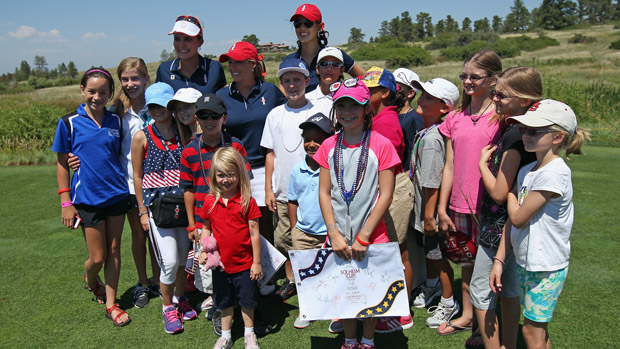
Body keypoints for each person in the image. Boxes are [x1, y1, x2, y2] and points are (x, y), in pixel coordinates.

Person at [490, 99, 589, 349]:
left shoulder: (554, 173)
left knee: (532, 334)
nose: (525, 135)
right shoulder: (528, 171)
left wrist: (510, 192)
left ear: (558, 137)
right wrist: (500, 261)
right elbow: (511, 226)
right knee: (538, 331)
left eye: (533, 131)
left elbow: (518, 218)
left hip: (545, 267)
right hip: (528, 262)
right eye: (523, 129)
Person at [315, 78, 400, 349]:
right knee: (345, 292)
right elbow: (324, 193)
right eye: (341, 106)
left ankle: (368, 339)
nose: (347, 112)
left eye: (355, 105)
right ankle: (350, 340)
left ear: (367, 109)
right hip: (337, 235)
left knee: (370, 290)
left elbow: (386, 194)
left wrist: (365, 235)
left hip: (372, 235)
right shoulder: (329, 146)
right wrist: (334, 233)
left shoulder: (381, 144)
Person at [52, 67, 131, 326]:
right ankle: (90, 280)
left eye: (103, 92)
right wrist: (66, 202)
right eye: (92, 91)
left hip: (117, 195)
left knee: (114, 249)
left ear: (110, 94)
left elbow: (119, 156)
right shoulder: (69, 123)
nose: (97, 97)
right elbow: (63, 164)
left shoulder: (116, 121)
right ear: (82, 90)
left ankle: (111, 303)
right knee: (97, 257)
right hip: (86, 198)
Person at [471, 66, 542, 349]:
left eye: (502, 95)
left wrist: (481, 164)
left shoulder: (515, 136)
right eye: (494, 93)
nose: (495, 99)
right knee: (510, 289)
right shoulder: (530, 130)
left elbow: (500, 192)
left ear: (525, 100)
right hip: (518, 228)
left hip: (499, 227)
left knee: (481, 290)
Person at [435, 50, 502, 336]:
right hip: (458, 204)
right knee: (466, 262)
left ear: (493, 79)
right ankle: (467, 316)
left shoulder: (503, 117)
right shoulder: (455, 117)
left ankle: (484, 325)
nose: (468, 82)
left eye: (475, 77)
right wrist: (441, 207)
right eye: (464, 76)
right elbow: (448, 166)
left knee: (489, 267)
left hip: (490, 205)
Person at [179, 93, 251, 334]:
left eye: (215, 116)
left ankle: (247, 309)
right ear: (196, 119)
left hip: (235, 220)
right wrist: (192, 225)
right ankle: (220, 312)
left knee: (239, 266)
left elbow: (246, 182)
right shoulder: (189, 151)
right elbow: (187, 190)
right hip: (206, 223)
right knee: (213, 272)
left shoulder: (235, 145)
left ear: (224, 118)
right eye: (203, 116)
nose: (209, 121)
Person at [216, 42, 286, 289]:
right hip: (238, 171)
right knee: (241, 224)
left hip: (268, 166)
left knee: (266, 224)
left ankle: (266, 274)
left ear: (252, 64)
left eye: (237, 62)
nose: (232, 67)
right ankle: (248, 273)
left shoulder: (270, 91)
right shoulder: (223, 95)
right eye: (230, 63)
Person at [132, 82, 197, 334]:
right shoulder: (142, 136)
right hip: (158, 208)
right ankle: (167, 306)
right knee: (169, 261)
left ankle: (180, 298)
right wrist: (142, 210)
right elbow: (137, 176)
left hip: (184, 205)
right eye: (153, 105)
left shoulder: (185, 133)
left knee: (182, 258)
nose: (158, 110)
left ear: (171, 106)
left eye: (162, 105)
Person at [360, 67, 414, 333]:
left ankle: (402, 309)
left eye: (370, 90)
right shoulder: (377, 118)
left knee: (396, 251)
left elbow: (383, 166)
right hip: (384, 189)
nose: (365, 93)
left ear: (385, 93)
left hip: (393, 189)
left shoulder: (386, 122)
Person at [405, 79, 461, 332]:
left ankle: (449, 302)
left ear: (444, 108)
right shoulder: (427, 132)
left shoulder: (434, 137)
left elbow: (432, 179)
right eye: (423, 94)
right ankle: (432, 285)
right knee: (430, 253)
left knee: (438, 255)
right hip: (424, 207)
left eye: (429, 97)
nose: (421, 99)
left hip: (431, 209)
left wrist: (429, 215)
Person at [261, 58, 318, 301]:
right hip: (283, 191)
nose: (292, 85)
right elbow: (270, 153)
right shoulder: (274, 114)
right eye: (287, 81)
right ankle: (291, 279)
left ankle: (315, 281)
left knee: (311, 240)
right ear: (281, 85)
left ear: (306, 81)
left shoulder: (318, 111)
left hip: (314, 190)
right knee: (284, 240)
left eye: (297, 80)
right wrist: (268, 190)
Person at [198, 147, 263, 349]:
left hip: (244, 265)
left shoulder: (247, 202)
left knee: (247, 302)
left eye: (231, 174)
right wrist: (202, 250)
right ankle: (225, 335)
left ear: (239, 174)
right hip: (221, 266)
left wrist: (257, 262)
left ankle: (249, 334)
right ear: (213, 176)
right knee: (224, 302)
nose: (226, 179)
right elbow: (206, 228)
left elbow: (255, 234)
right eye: (221, 175)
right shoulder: (210, 201)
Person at [112, 57, 162, 308]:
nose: (131, 84)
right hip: (132, 184)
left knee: (157, 234)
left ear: (146, 79)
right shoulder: (117, 113)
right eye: (125, 79)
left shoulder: (158, 108)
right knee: (139, 234)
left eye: (135, 78)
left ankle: (158, 279)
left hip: (160, 183)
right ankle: (142, 282)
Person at [287, 113, 333, 329]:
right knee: (305, 275)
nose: (312, 144)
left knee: (332, 273)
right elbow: (292, 200)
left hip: (329, 233)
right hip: (303, 233)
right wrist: (295, 227)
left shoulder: (334, 168)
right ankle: (307, 309)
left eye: (318, 140)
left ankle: (336, 312)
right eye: (307, 139)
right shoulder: (297, 170)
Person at [286, 3, 365, 93]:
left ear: (320, 26)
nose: (302, 28)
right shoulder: (289, 60)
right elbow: (283, 96)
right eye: (298, 24)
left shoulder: (335, 55)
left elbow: (365, 79)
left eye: (308, 24)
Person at [157, 15, 226, 94]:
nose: (181, 45)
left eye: (188, 39)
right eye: (177, 39)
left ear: (200, 42)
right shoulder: (164, 70)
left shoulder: (214, 69)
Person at [393, 68, 424, 175]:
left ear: (411, 93)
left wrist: (407, 176)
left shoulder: (415, 118)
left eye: (397, 87)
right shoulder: (388, 114)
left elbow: (416, 154)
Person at [305, 47, 345, 116]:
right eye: (324, 64)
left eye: (335, 64)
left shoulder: (347, 99)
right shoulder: (306, 100)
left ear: (342, 70)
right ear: (317, 69)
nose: (329, 69)